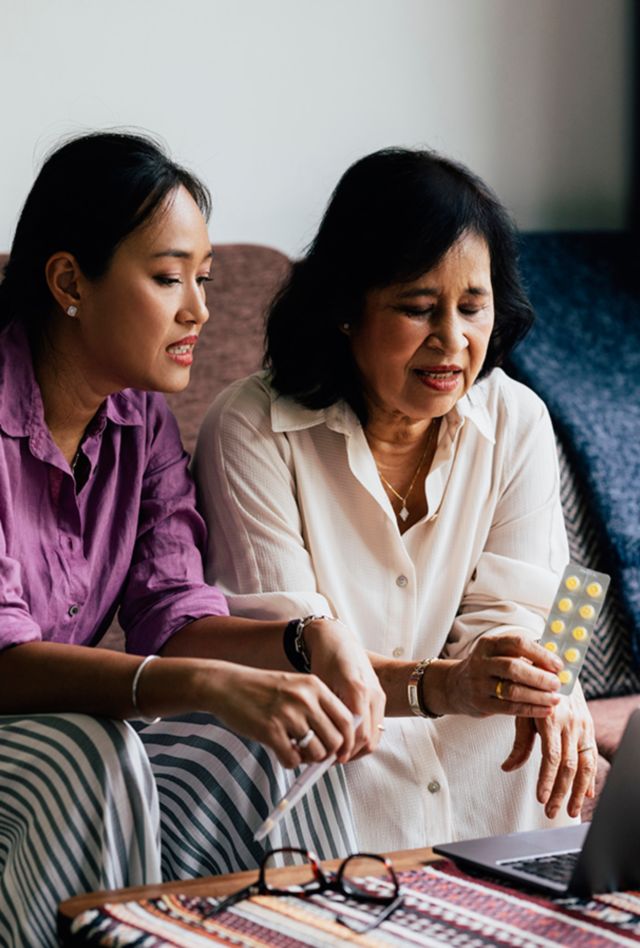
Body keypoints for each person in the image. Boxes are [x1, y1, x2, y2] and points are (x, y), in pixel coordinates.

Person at [0, 131, 385, 947]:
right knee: (90, 756)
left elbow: (174, 618)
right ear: (69, 280)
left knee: (260, 743)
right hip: (38, 727)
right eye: (169, 277)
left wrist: (309, 641)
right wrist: (207, 685)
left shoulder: (141, 420)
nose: (200, 310)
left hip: (45, 724)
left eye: (204, 280)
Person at [193, 147, 597, 856]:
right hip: (329, 751)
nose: (453, 340)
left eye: (473, 307)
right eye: (418, 308)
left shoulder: (518, 419)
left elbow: (547, 604)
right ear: (346, 309)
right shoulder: (249, 428)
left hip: (486, 753)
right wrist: (448, 685)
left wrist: (546, 682)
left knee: (549, 712)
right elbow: (287, 645)